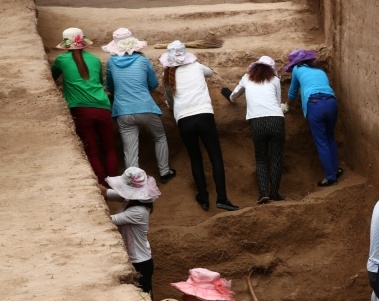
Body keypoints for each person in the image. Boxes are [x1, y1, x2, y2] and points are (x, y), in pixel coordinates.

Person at [160, 40, 238, 211]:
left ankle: (203, 198)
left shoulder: (168, 76)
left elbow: (169, 99)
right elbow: (210, 72)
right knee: (215, 157)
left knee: (196, 158)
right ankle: (222, 198)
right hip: (204, 115)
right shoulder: (197, 67)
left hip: (184, 119)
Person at [103, 28, 176, 184]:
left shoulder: (111, 62)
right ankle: (164, 172)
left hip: (123, 111)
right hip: (146, 108)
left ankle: (134, 182)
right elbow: (154, 84)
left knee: (130, 148)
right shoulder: (143, 61)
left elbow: (110, 86)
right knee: (160, 137)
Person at [51, 28, 117, 184]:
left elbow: (51, 78)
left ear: (66, 44)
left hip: (80, 110)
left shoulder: (61, 60)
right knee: (109, 148)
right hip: (103, 107)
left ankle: (101, 187)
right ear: (83, 43)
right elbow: (100, 83)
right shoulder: (94, 59)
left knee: (92, 151)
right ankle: (115, 185)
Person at [221, 55, 287, 204]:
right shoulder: (275, 80)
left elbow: (233, 96)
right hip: (276, 119)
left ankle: (263, 193)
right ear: (271, 69)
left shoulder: (247, 78)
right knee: (276, 158)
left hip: (256, 122)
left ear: (255, 67)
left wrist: (228, 95)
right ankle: (275, 193)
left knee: (261, 159)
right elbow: (277, 103)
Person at [283, 49, 342, 187]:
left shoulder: (297, 69)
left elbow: (292, 92)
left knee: (321, 142)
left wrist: (286, 106)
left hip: (315, 105)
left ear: (295, 62)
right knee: (330, 137)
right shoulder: (320, 71)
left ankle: (330, 177)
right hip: (331, 102)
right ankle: (335, 169)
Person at [98, 167, 161, 296]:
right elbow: (106, 192)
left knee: (144, 298)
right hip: (138, 260)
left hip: (140, 263)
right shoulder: (132, 200)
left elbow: (106, 220)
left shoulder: (138, 211)